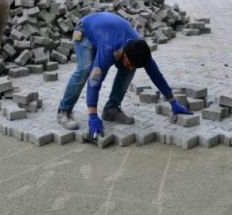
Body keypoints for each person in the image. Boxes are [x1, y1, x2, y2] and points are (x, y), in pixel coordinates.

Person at [56, 12, 191, 140]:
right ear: (124, 54)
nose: (132, 66)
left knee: (128, 70)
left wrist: (173, 101)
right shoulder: (109, 49)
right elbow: (94, 81)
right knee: (85, 70)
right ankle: (64, 111)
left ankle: (111, 109)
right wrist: (92, 116)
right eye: (130, 63)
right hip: (85, 30)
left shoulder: (140, 49)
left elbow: (156, 75)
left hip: (107, 30)